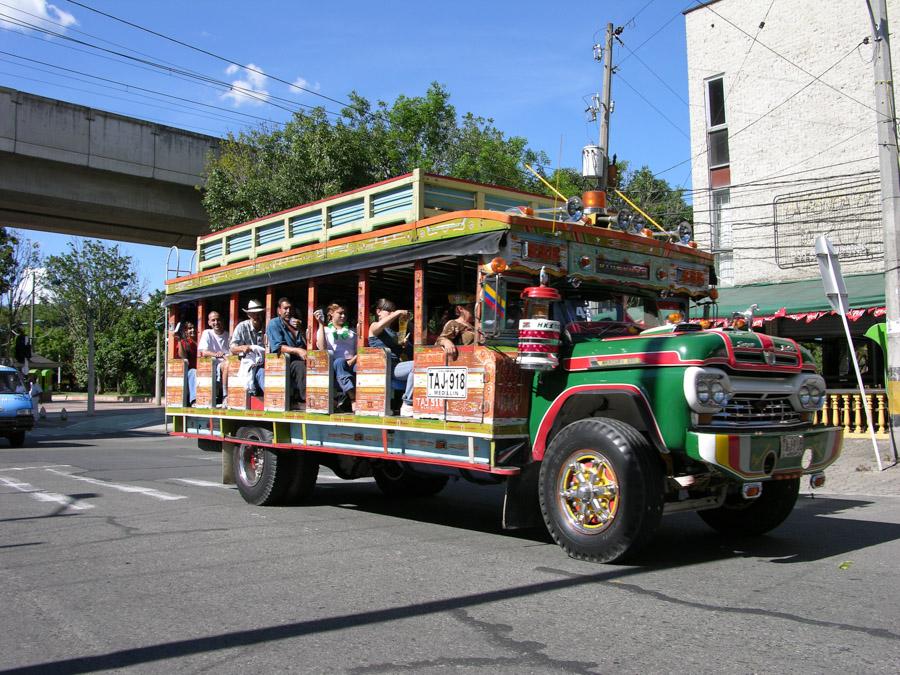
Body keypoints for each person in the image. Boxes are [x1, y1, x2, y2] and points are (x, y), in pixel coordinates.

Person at [368, 297, 414, 417]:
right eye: (389, 311)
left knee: (420, 365)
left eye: (393, 311)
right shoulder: (374, 326)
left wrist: (405, 343)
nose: (392, 313)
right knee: (416, 366)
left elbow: (408, 350)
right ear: (378, 312)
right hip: (383, 367)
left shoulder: (394, 332)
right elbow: (379, 327)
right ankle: (408, 404)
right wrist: (398, 312)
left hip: (395, 367)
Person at [315, 302, 357, 411]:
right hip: (335, 365)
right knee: (339, 362)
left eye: (345, 314)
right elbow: (322, 348)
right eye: (340, 313)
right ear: (331, 313)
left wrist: (352, 360)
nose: (343, 316)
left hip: (353, 362)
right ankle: (353, 398)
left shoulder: (352, 330)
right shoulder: (325, 330)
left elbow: (360, 349)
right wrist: (320, 323)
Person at [266, 297, 307, 410]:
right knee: (299, 366)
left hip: (301, 358)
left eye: (290, 308)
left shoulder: (296, 323)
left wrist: (302, 330)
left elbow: (307, 344)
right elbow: (278, 347)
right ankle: (307, 399)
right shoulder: (274, 324)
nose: (288, 311)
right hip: (283, 362)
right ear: (279, 310)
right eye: (285, 308)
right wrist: (298, 350)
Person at [229, 300, 266, 396]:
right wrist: (244, 347)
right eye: (253, 314)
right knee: (260, 372)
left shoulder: (266, 326)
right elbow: (232, 348)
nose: (257, 316)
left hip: (264, 363)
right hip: (247, 364)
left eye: (259, 313)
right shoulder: (242, 327)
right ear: (249, 315)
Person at [198, 311, 230, 402]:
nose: (216, 322)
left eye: (218, 320)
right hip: (213, 365)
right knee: (227, 364)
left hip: (227, 362)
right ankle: (225, 395)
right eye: (213, 320)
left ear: (222, 321)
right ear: (209, 323)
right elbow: (204, 352)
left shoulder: (228, 335)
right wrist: (218, 354)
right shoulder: (207, 333)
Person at [435, 293, 477, 359]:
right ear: (460, 308)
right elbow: (440, 340)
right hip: (463, 360)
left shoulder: (476, 325)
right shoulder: (454, 324)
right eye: (470, 307)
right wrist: (446, 342)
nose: (473, 310)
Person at [177, 321, 198, 405]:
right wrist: (179, 340)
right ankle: (194, 400)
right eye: (189, 328)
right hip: (189, 372)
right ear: (185, 331)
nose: (192, 330)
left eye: (193, 328)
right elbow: (182, 356)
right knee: (193, 372)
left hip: (202, 370)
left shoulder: (200, 341)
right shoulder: (185, 342)